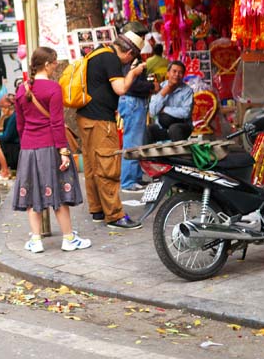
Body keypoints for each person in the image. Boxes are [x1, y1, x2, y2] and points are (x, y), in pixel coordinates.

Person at [13, 46, 91, 254]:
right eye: (55, 62)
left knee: (32, 194)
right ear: (47, 65)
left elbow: (20, 124)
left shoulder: (22, 89)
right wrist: (64, 152)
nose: (57, 65)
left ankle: (36, 240)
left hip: (29, 148)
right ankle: (68, 238)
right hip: (50, 147)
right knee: (57, 192)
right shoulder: (54, 89)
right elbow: (57, 123)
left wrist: (26, 145)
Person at [75, 31, 147, 230]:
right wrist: (134, 73)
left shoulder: (98, 52)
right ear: (129, 53)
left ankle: (97, 209)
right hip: (100, 120)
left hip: (85, 117)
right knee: (107, 166)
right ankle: (115, 216)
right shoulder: (111, 58)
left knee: (91, 166)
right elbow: (121, 89)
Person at [120, 58, 157, 192]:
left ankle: (135, 178)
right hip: (133, 102)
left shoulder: (129, 61)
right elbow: (132, 85)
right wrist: (151, 86)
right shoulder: (131, 63)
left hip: (135, 102)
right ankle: (128, 181)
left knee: (136, 142)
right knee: (132, 142)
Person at [148, 61, 194, 142]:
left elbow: (186, 113)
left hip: (182, 126)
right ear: (168, 73)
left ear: (183, 76)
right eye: (174, 71)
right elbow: (152, 112)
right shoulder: (160, 87)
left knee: (174, 129)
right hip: (163, 127)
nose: (177, 75)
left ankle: (180, 155)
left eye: (180, 73)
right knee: (149, 129)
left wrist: (165, 109)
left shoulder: (187, 90)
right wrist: (164, 92)